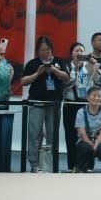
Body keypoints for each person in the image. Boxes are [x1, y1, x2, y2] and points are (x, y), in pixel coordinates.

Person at [21, 36, 68, 173]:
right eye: (42, 50)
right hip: (36, 103)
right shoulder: (33, 63)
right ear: (38, 51)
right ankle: (34, 164)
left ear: (51, 50)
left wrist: (55, 70)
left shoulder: (59, 61)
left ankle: (51, 164)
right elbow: (24, 81)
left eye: (47, 50)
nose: (45, 52)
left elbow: (67, 78)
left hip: (54, 103)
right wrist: (37, 73)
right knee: (34, 134)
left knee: (52, 135)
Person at [61, 42, 99, 160]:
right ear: (71, 53)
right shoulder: (66, 66)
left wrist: (93, 66)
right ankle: (72, 164)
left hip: (85, 105)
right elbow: (67, 84)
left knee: (87, 134)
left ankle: (88, 164)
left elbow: (95, 82)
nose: (79, 53)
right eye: (76, 51)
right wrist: (76, 70)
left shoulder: (87, 67)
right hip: (70, 104)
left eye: (81, 51)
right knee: (70, 135)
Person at [72, 86, 101, 173]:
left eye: (99, 96)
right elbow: (82, 133)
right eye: (94, 95)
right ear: (88, 97)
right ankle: (75, 171)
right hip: (85, 140)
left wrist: (95, 145)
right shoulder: (81, 112)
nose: (97, 98)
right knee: (85, 149)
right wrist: (91, 144)